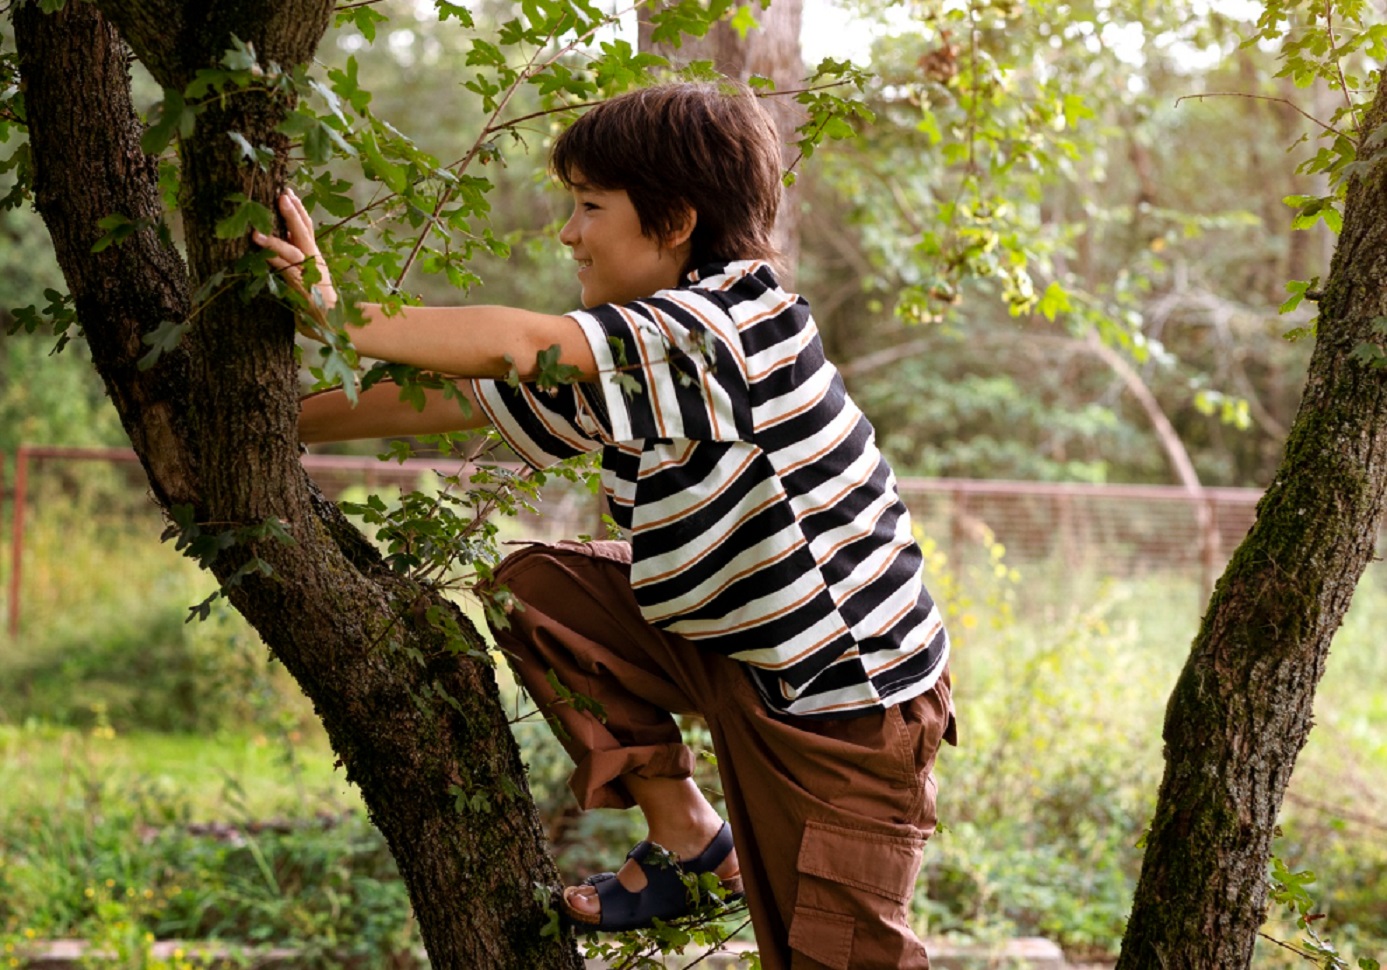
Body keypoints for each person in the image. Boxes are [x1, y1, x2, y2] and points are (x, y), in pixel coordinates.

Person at [256, 81, 956, 970]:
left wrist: (334, 309)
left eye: (590, 205)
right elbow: (463, 395)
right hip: (742, 657)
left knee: (836, 959)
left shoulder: (725, 327)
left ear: (673, 221)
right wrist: (262, 417)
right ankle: (693, 845)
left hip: (843, 710)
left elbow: (515, 345)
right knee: (539, 593)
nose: (568, 232)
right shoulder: (641, 365)